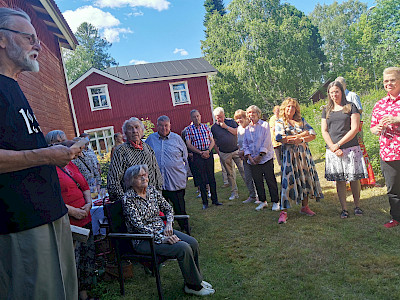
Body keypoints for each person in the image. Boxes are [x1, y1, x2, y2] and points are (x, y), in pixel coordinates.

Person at [0, 7, 79, 299]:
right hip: (22, 223)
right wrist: (48, 156)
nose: (38, 45)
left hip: (50, 213)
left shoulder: (14, 87)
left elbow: (22, 149)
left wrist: (58, 149)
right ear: (3, 40)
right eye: (30, 37)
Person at [123, 164, 215, 296]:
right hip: (144, 240)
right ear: (131, 181)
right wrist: (163, 239)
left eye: (145, 175)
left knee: (193, 243)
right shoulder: (128, 199)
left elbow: (168, 208)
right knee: (183, 248)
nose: (144, 179)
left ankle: (196, 280)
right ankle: (193, 286)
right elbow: (139, 226)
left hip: (162, 230)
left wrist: (169, 225)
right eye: (139, 177)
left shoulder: (152, 191)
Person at [45, 138, 96, 300]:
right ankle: (72, 295)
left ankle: (84, 295)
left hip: (85, 218)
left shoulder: (71, 165)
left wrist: (88, 204)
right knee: (72, 261)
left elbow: (85, 185)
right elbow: (50, 198)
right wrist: (73, 211)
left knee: (87, 259)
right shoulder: (49, 170)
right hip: (69, 223)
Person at [321, 81, 368, 219]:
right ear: (328, 94)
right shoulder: (326, 110)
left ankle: (357, 206)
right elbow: (324, 130)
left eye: (336, 91)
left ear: (341, 91)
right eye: (331, 92)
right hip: (333, 151)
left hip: (350, 148)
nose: (334, 94)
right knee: (340, 180)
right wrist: (332, 147)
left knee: (354, 179)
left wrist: (339, 144)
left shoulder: (351, 107)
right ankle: (344, 209)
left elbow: (354, 129)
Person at [275, 98, 324, 224]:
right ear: (284, 109)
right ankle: (283, 211)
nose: (290, 109)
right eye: (288, 107)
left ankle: (305, 207)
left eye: (293, 107)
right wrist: (300, 135)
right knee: (287, 182)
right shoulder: (280, 122)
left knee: (305, 178)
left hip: (303, 155)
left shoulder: (301, 121)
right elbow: (280, 138)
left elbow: (312, 134)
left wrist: (300, 140)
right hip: (289, 156)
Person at [146, 115, 190, 233]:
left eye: (166, 125)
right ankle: (164, 229)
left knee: (179, 207)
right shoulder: (150, 140)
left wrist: (185, 174)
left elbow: (185, 158)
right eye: (161, 125)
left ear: (170, 125)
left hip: (175, 180)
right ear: (157, 126)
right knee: (160, 209)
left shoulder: (177, 139)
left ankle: (185, 228)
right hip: (158, 184)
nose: (164, 128)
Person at [370, 67, 400, 228]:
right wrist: (379, 128)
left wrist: (396, 119)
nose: (389, 83)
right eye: (386, 81)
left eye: (392, 80)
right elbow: (373, 129)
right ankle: (396, 218)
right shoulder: (380, 104)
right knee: (393, 188)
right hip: (388, 153)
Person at [107, 117, 162, 202]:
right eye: (130, 128)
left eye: (137, 127)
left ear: (142, 131)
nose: (134, 131)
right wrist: (124, 201)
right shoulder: (120, 151)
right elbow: (113, 180)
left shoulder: (148, 148)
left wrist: (158, 194)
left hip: (151, 199)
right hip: (132, 201)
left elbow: (156, 173)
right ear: (125, 133)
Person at [335, 76, 377, 188]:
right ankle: (349, 181)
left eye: (340, 84)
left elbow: (359, 109)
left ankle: (365, 180)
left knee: (359, 151)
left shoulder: (352, 95)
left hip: (355, 127)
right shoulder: (337, 97)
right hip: (342, 129)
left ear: (344, 84)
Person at [243, 105, 280, 211]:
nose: (251, 115)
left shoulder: (265, 125)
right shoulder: (247, 129)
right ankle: (263, 201)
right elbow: (245, 144)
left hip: (265, 158)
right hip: (253, 161)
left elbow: (267, 141)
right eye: (249, 113)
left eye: (253, 112)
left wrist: (260, 155)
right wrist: (249, 156)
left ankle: (275, 201)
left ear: (258, 114)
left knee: (270, 180)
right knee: (258, 181)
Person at [185, 109, 222, 209]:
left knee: (211, 178)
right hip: (198, 156)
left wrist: (208, 151)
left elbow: (212, 141)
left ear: (200, 116)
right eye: (194, 117)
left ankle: (215, 200)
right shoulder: (188, 129)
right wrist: (200, 152)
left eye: (198, 116)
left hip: (208, 154)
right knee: (201, 179)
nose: (196, 118)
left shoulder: (206, 127)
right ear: (191, 118)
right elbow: (188, 144)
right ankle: (205, 202)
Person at [211, 107, 246, 200]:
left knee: (243, 170)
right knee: (230, 174)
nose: (219, 119)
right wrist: (219, 153)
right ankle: (234, 192)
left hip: (236, 150)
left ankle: (253, 191)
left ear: (224, 115)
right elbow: (214, 141)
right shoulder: (213, 128)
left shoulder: (231, 122)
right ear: (215, 117)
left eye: (221, 117)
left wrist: (225, 127)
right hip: (224, 153)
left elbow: (236, 133)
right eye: (217, 117)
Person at [234, 109, 259, 204]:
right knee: (247, 177)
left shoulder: (250, 128)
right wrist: (240, 152)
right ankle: (252, 195)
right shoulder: (239, 129)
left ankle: (259, 196)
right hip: (244, 157)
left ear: (245, 118)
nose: (239, 120)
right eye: (237, 119)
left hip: (252, 156)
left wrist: (245, 152)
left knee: (255, 176)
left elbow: (252, 143)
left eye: (240, 118)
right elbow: (239, 142)